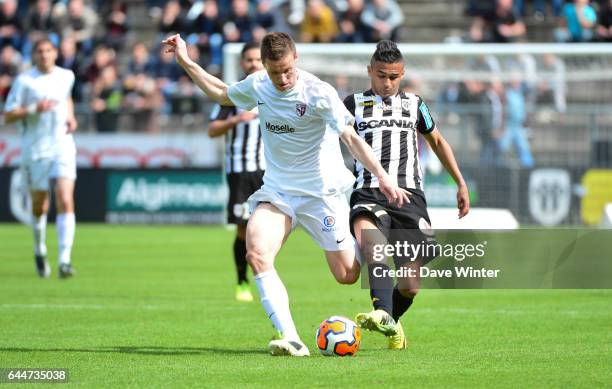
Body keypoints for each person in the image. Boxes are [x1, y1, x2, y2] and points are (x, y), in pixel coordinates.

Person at [163, 32, 408, 356]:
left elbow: (350, 137)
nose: (282, 78)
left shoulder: (318, 93)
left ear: (296, 61)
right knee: (257, 251)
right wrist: (186, 61)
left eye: (287, 70)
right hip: (279, 192)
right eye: (275, 71)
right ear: (264, 65)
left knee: (347, 275)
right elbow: (222, 93)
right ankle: (290, 337)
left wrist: (382, 177)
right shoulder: (258, 84)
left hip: (322, 194)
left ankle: (376, 251)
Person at [344, 41, 469, 349]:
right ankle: (382, 312)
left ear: (403, 74)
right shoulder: (352, 104)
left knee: (411, 286)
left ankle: (392, 321)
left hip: (410, 196)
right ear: (370, 71)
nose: (387, 83)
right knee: (371, 243)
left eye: (394, 77)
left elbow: (437, 142)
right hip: (368, 191)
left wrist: (460, 182)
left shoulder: (415, 104)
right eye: (382, 75)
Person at [4, 37, 78, 279]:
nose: (45, 55)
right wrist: (35, 109)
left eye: (48, 50)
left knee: (65, 199)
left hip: (62, 145)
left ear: (55, 53)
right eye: (40, 51)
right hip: (36, 149)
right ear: (35, 55)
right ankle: (39, 249)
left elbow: (66, 96)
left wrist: (71, 115)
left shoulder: (66, 75)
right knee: (40, 205)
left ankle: (65, 260)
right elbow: (8, 115)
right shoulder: (25, 81)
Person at [207, 42, 265, 302]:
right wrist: (235, 120)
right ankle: (242, 281)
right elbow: (212, 129)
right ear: (242, 63)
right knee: (243, 229)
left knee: (264, 229)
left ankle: (265, 275)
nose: (253, 64)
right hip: (240, 171)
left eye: (257, 59)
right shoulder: (234, 93)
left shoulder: (272, 91)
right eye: (249, 60)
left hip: (267, 172)